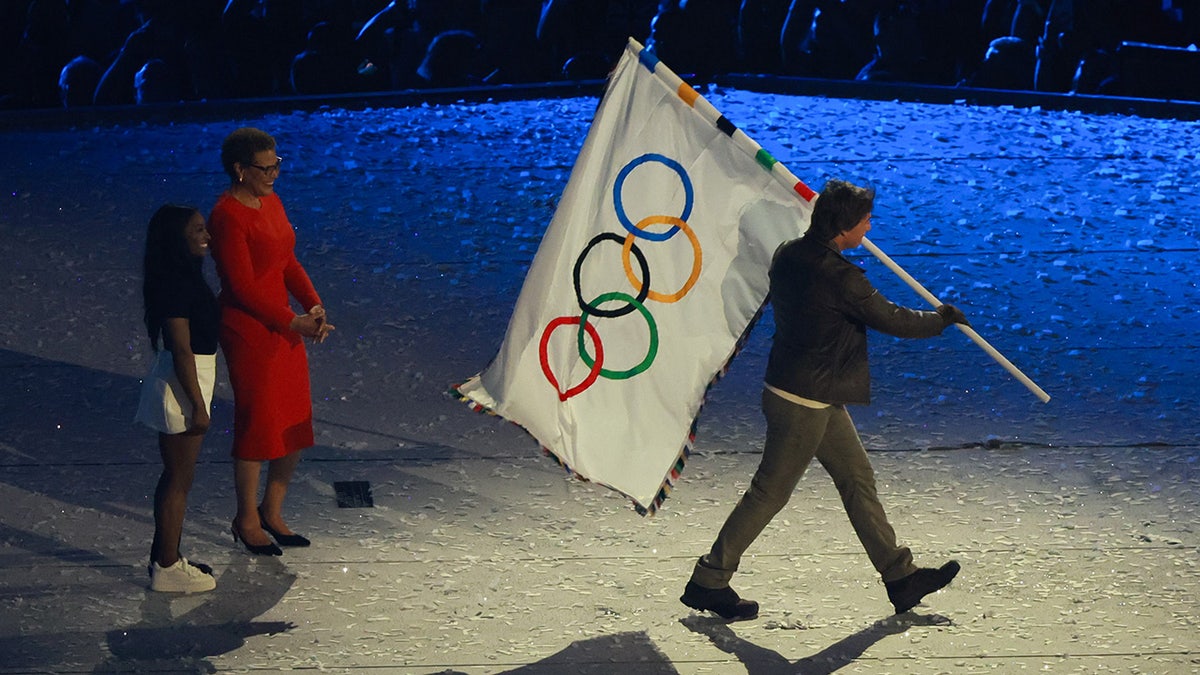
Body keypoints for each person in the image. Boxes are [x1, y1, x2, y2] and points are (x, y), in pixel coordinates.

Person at [680, 179, 967, 620]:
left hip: (803, 390)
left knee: (857, 479)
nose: (869, 228)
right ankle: (709, 580)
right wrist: (940, 319)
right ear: (844, 226)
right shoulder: (841, 277)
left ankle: (900, 576)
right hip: (805, 402)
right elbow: (893, 319)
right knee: (769, 493)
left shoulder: (789, 254)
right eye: (865, 221)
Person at [208, 127, 334, 557]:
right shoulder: (226, 216)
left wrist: (313, 304)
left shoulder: (272, 201)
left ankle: (271, 511)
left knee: (292, 418)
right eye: (265, 168)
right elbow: (242, 287)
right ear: (240, 170)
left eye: (276, 165)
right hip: (250, 330)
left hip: (283, 324)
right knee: (258, 422)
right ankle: (246, 518)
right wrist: (292, 320)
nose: (274, 174)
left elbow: (287, 261)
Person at [134, 204, 219, 593]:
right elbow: (182, 349)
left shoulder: (182, 276)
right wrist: (198, 405)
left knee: (178, 475)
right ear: (177, 238)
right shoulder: (176, 283)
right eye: (198, 230)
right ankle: (167, 565)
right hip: (185, 382)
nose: (207, 236)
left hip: (190, 377)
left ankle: (165, 557)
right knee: (178, 477)